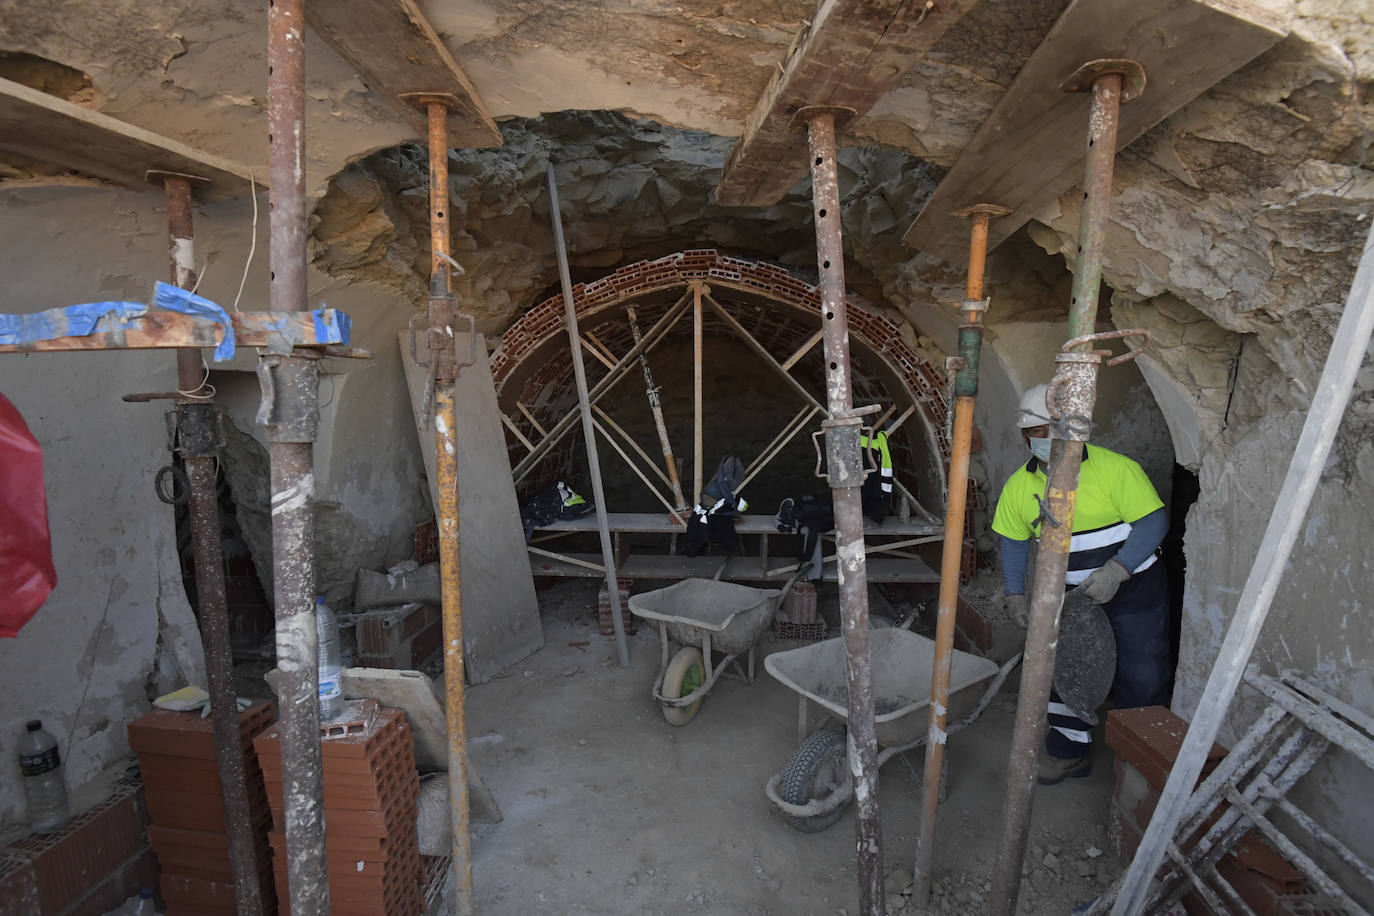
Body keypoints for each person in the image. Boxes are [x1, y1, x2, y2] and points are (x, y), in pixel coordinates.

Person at [991, 383, 1172, 785]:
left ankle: (1137, 770)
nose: (1046, 439)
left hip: (1133, 589)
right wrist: (1015, 594)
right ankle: (1069, 753)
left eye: (1055, 430)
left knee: (1142, 672)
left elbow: (1153, 522)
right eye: (1037, 431)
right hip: (1070, 599)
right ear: (1025, 435)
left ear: (1074, 430)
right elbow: (1015, 543)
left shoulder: (1115, 469)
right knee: (1065, 672)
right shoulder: (1020, 487)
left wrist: (1118, 570)